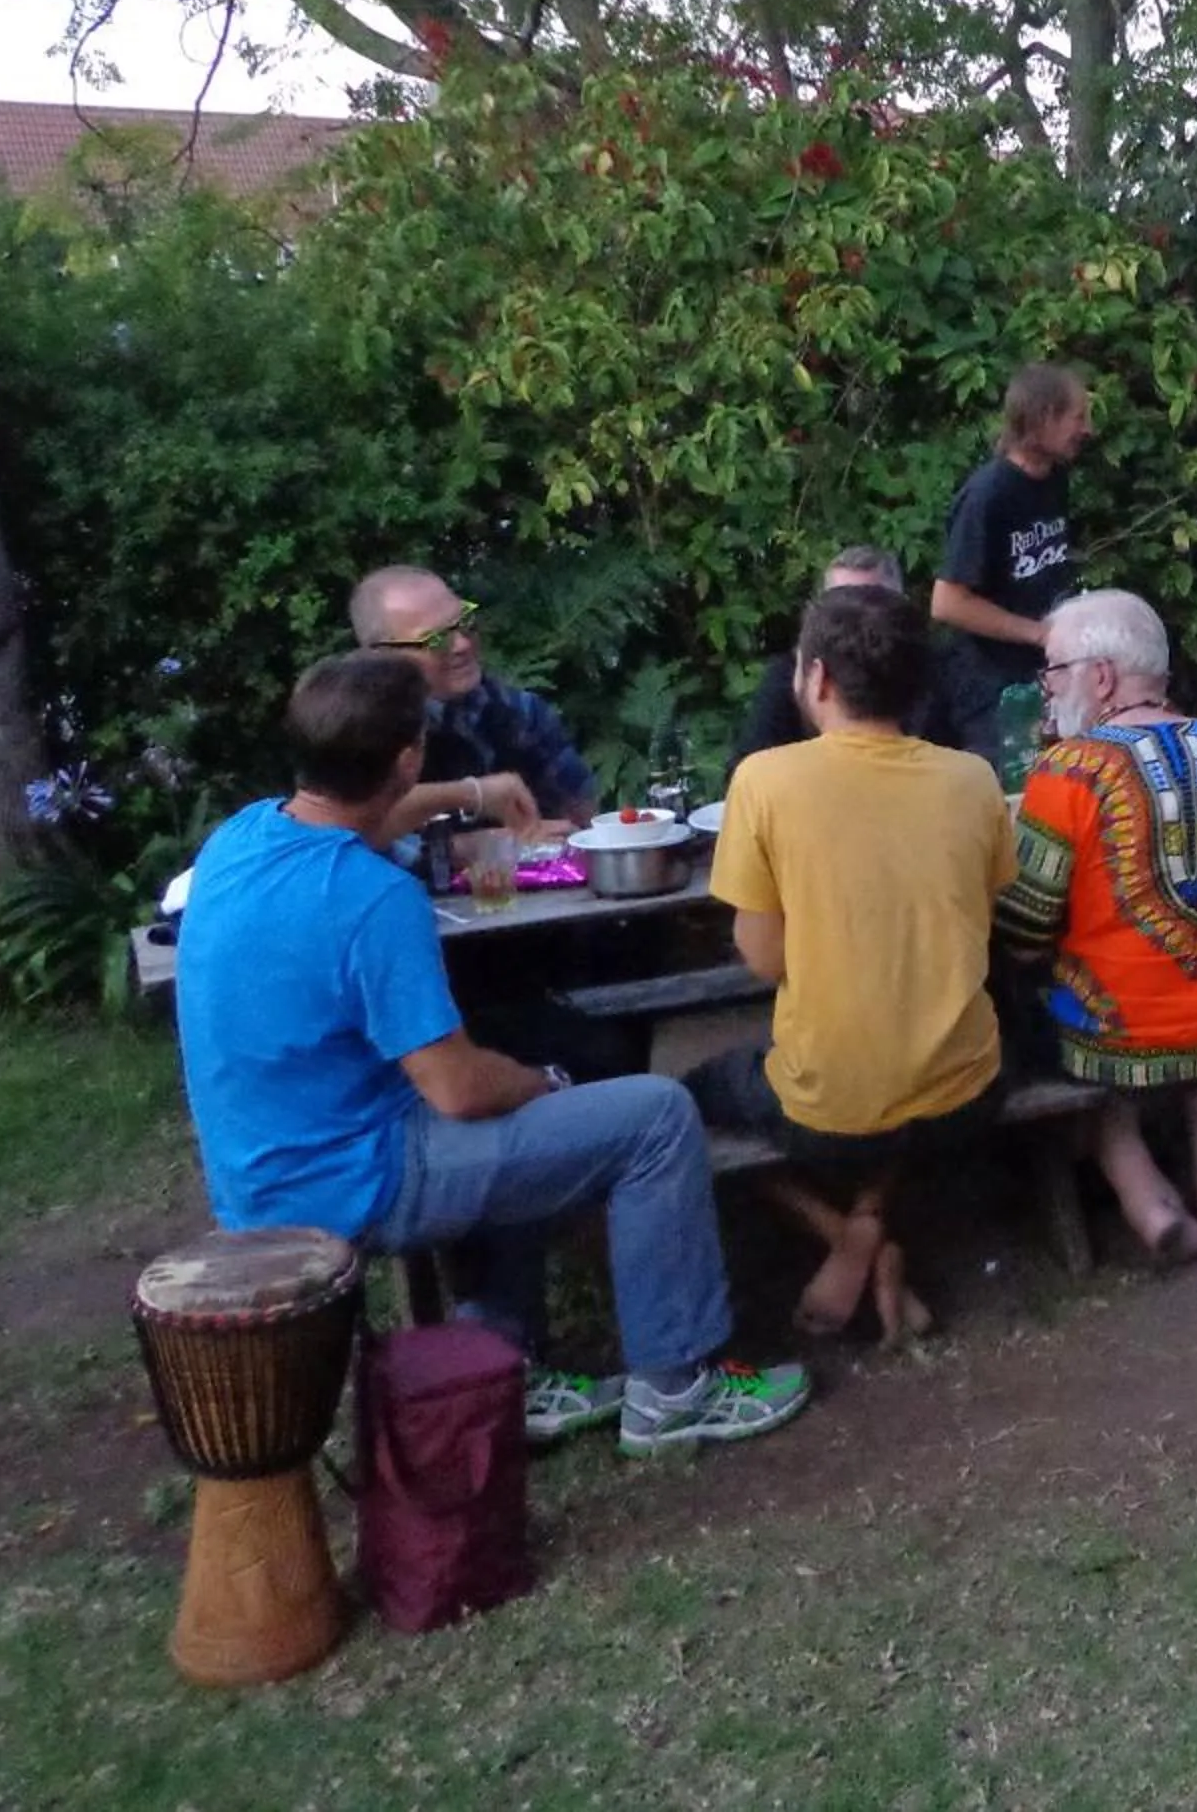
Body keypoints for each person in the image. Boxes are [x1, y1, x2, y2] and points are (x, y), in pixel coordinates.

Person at [173, 652, 809, 1456]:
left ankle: (504, 1364)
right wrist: (542, 1084)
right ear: (407, 757)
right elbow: (459, 1093)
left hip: (259, 1172)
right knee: (651, 1115)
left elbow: (368, 813)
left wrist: (472, 794)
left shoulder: (245, 836)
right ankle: (677, 1389)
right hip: (354, 1181)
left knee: (511, 1100)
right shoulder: (373, 900)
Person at [687, 585, 1016, 1343]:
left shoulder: (765, 782)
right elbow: (984, 913)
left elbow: (762, 961)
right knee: (926, 1058)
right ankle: (870, 1218)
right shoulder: (972, 781)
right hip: (967, 1099)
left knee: (685, 1102)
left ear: (818, 680)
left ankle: (844, 1234)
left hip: (827, 1114)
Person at [999, 590, 1197, 1258]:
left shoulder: (1065, 772)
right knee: (1193, 974)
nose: (1046, 690)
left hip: (1116, 1038)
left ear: (1100, 677)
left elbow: (1025, 930)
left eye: (1052, 671)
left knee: (1051, 998)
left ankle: (1144, 1196)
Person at [350, 565, 597, 830]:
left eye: (465, 623)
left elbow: (581, 815)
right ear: (381, 655)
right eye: (436, 640)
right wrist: (468, 812)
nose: (462, 645)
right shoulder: (351, 732)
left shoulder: (520, 713)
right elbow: (347, 824)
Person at [930, 362, 1092, 765]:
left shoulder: (1054, 479)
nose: (1086, 430)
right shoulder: (989, 495)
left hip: (1042, 677)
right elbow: (948, 603)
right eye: (1077, 417)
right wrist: (1039, 634)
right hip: (992, 687)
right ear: (1042, 418)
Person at [734, 545, 924, 761]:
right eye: (839, 610)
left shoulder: (936, 671)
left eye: (871, 604)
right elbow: (748, 767)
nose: (856, 620)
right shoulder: (789, 676)